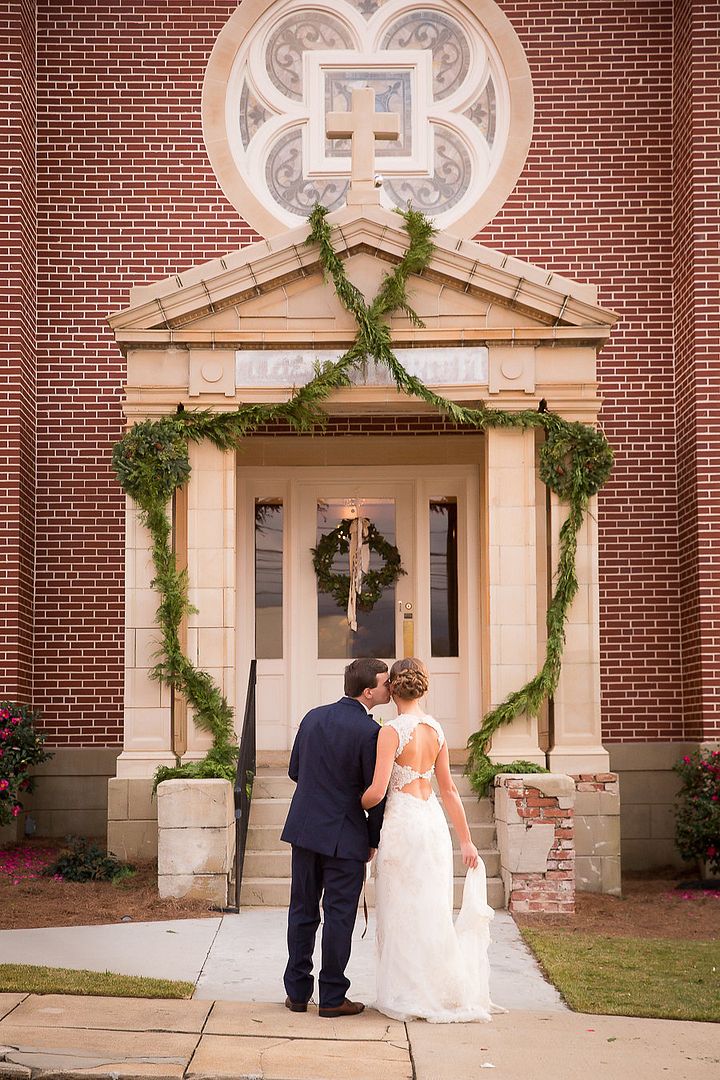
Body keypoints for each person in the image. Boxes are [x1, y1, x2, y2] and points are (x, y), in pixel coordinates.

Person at [362, 657, 502, 1023]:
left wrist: (349, 804)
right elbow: (450, 790)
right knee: (432, 908)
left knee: (400, 908)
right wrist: (467, 842)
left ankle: (407, 992)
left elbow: (377, 792)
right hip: (433, 823)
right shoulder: (436, 729)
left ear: (392, 688)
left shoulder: (390, 731)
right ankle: (437, 988)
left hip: (402, 825)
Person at [281, 656, 390, 1017]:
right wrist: (373, 839)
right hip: (344, 836)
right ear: (368, 690)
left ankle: (297, 994)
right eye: (385, 682)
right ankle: (331, 997)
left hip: (305, 829)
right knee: (339, 916)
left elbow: (295, 771)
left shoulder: (312, 717)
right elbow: (376, 796)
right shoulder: (370, 732)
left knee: (302, 910)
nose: (389, 687)